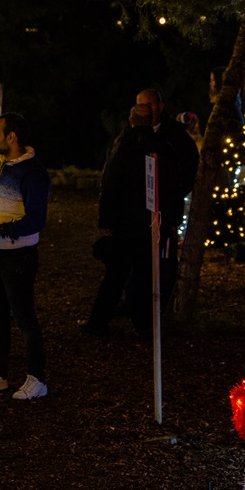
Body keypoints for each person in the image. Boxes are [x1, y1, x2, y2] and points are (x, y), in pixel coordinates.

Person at [0, 112, 50, 400]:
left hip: (18, 256)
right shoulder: (0, 166)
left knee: (24, 316)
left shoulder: (33, 173)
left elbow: (36, 220)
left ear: (11, 137)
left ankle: (37, 378)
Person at [80, 104, 156, 339]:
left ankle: (99, 321)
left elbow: (110, 184)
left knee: (116, 274)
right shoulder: (158, 145)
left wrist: (106, 220)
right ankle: (143, 325)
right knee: (142, 274)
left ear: (131, 119)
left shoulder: (124, 145)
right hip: (149, 220)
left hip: (124, 222)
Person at [135, 88, 200, 310]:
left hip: (167, 206)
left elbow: (189, 167)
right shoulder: (134, 132)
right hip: (140, 207)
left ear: (160, 107)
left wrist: (174, 193)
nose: (146, 110)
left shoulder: (176, 135)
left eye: (150, 105)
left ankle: (162, 300)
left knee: (166, 254)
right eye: (141, 105)